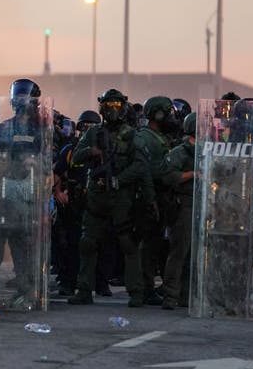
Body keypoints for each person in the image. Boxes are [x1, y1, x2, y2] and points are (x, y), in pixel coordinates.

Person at [68, 89, 147, 307]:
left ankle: (136, 292)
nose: (113, 110)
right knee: (87, 242)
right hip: (97, 195)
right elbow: (75, 158)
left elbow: (140, 166)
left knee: (128, 243)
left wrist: (120, 180)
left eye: (117, 106)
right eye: (109, 105)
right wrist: (91, 152)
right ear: (102, 108)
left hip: (121, 196)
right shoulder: (93, 133)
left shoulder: (132, 135)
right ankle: (84, 289)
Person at [0, 79, 43, 292]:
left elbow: (47, 158)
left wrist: (36, 164)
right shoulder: (4, 127)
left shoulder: (40, 130)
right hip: (5, 189)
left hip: (28, 191)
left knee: (23, 242)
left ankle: (26, 285)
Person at [135, 96, 180, 306]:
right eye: (167, 112)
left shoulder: (160, 137)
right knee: (148, 244)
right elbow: (146, 171)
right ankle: (145, 287)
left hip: (162, 196)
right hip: (150, 197)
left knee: (157, 244)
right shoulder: (145, 138)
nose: (171, 117)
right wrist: (151, 199)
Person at [52, 110, 101, 297]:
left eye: (91, 126)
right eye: (84, 126)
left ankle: (97, 282)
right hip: (73, 203)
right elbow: (57, 172)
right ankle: (67, 282)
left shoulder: (102, 150)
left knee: (96, 245)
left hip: (96, 203)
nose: (87, 130)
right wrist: (58, 192)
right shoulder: (71, 149)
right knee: (69, 245)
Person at [161, 112, 196, 310]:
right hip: (184, 205)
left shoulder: (203, 151)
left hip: (198, 205)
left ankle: (186, 295)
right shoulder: (180, 152)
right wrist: (194, 174)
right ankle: (171, 295)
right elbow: (168, 176)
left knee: (193, 254)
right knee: (179, 252)